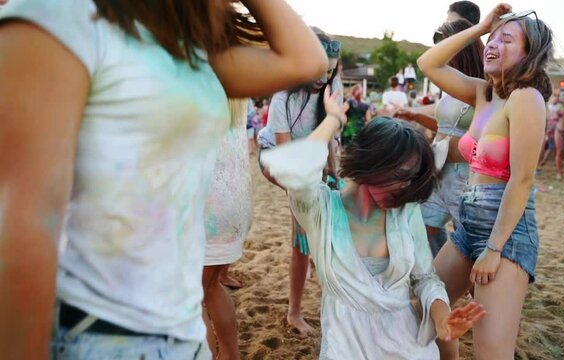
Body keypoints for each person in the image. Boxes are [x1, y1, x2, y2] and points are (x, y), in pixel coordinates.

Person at [0, 0, 330, 358]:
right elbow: (23, 229)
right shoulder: (60, 17)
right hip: (94, 332)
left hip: (180, 329)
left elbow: (306, 60)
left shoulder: (183, 47)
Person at [260, 87, 486, 360]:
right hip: (347, 348)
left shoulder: (405, 210)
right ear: (373, 161)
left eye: (411, 178)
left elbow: (425, 278)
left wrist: (441, 317)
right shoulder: (321, 209)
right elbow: (291, 169)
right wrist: (332, 120)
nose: (405, 187)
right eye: (400, 175)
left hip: (407, 345)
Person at [418, 4, 553, 359]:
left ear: (529, 54)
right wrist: (481, 28)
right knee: (426, 311)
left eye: (506, 39)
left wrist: (494, 250)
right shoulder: (484, 94)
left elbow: (522, 179)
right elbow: (428, 64)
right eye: (491, 40)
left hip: (505, 234)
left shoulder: (526, 99)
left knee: (491, 352)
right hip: (468, 224)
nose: (493, 44)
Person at [260, 28, 343, 336]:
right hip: (278, 158)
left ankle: (309, 255)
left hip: (314, 162)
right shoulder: (283, 96)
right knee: (303, 239)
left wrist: (334, 173)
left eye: (330, 69)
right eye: (319, 68)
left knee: (323, 223)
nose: (324, 75)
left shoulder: (332, 90)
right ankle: (294, 313)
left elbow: (331, 138)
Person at [395, 18, 484, 257]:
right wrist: (414, 115)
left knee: (470, 248)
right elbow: (445, 127)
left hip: (465, 178)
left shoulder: (484, 87)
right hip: (438, 170)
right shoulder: (450, 88)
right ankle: (436, 280)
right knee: (421, 231)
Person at [201, 99, 254, 359]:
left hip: (206, 204)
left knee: (194, 297)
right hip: (234, 199)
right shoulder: (237, 80)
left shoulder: (196, 77)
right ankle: (231, 355)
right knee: (210, 287)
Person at [341, 84, 372, 148]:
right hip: (360, 131)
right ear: (362, 93)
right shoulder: (366, 105)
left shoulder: (349, 102)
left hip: (348, 130)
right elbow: (369, 121)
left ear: (353, 92)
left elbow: (341, 112)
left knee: (346, 149)